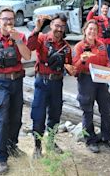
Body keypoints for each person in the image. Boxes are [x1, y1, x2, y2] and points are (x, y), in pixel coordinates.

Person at [0, 7, 31, 174]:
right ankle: (1, 158)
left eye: (11, 19)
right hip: (0, 84)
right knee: (1, 120)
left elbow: (27, 56)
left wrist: (17, 40)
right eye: (5, 19)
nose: (8, 22)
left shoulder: (20, 36)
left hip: (17, 82)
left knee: (16, 118)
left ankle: (11, 146)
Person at [27, 13, 72, 159]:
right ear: (51, 25)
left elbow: (69, 65)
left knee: (55, 114)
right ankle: (37, 147)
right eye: (57, 25)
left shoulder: (66, 47)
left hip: (57, 83)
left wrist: (71, 68)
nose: (59, 29)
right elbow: (30, 46)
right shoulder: (42, 38)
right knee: (38, 115)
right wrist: (37, 29)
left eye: (62, 26)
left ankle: (51, 142)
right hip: (42, 82)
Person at [72, 19, 110, 153]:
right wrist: (82, 60)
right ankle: (90, 140)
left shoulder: (102, 45)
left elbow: (107, 62)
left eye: (95, 29)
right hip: (86, 80)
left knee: (106, 109)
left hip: (101, 80)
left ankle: (107, 137)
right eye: (90, 29)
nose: (92, 31)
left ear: (98, 33)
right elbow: (74, 69)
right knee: (88, 111)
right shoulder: (79, 47)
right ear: (85, 31)